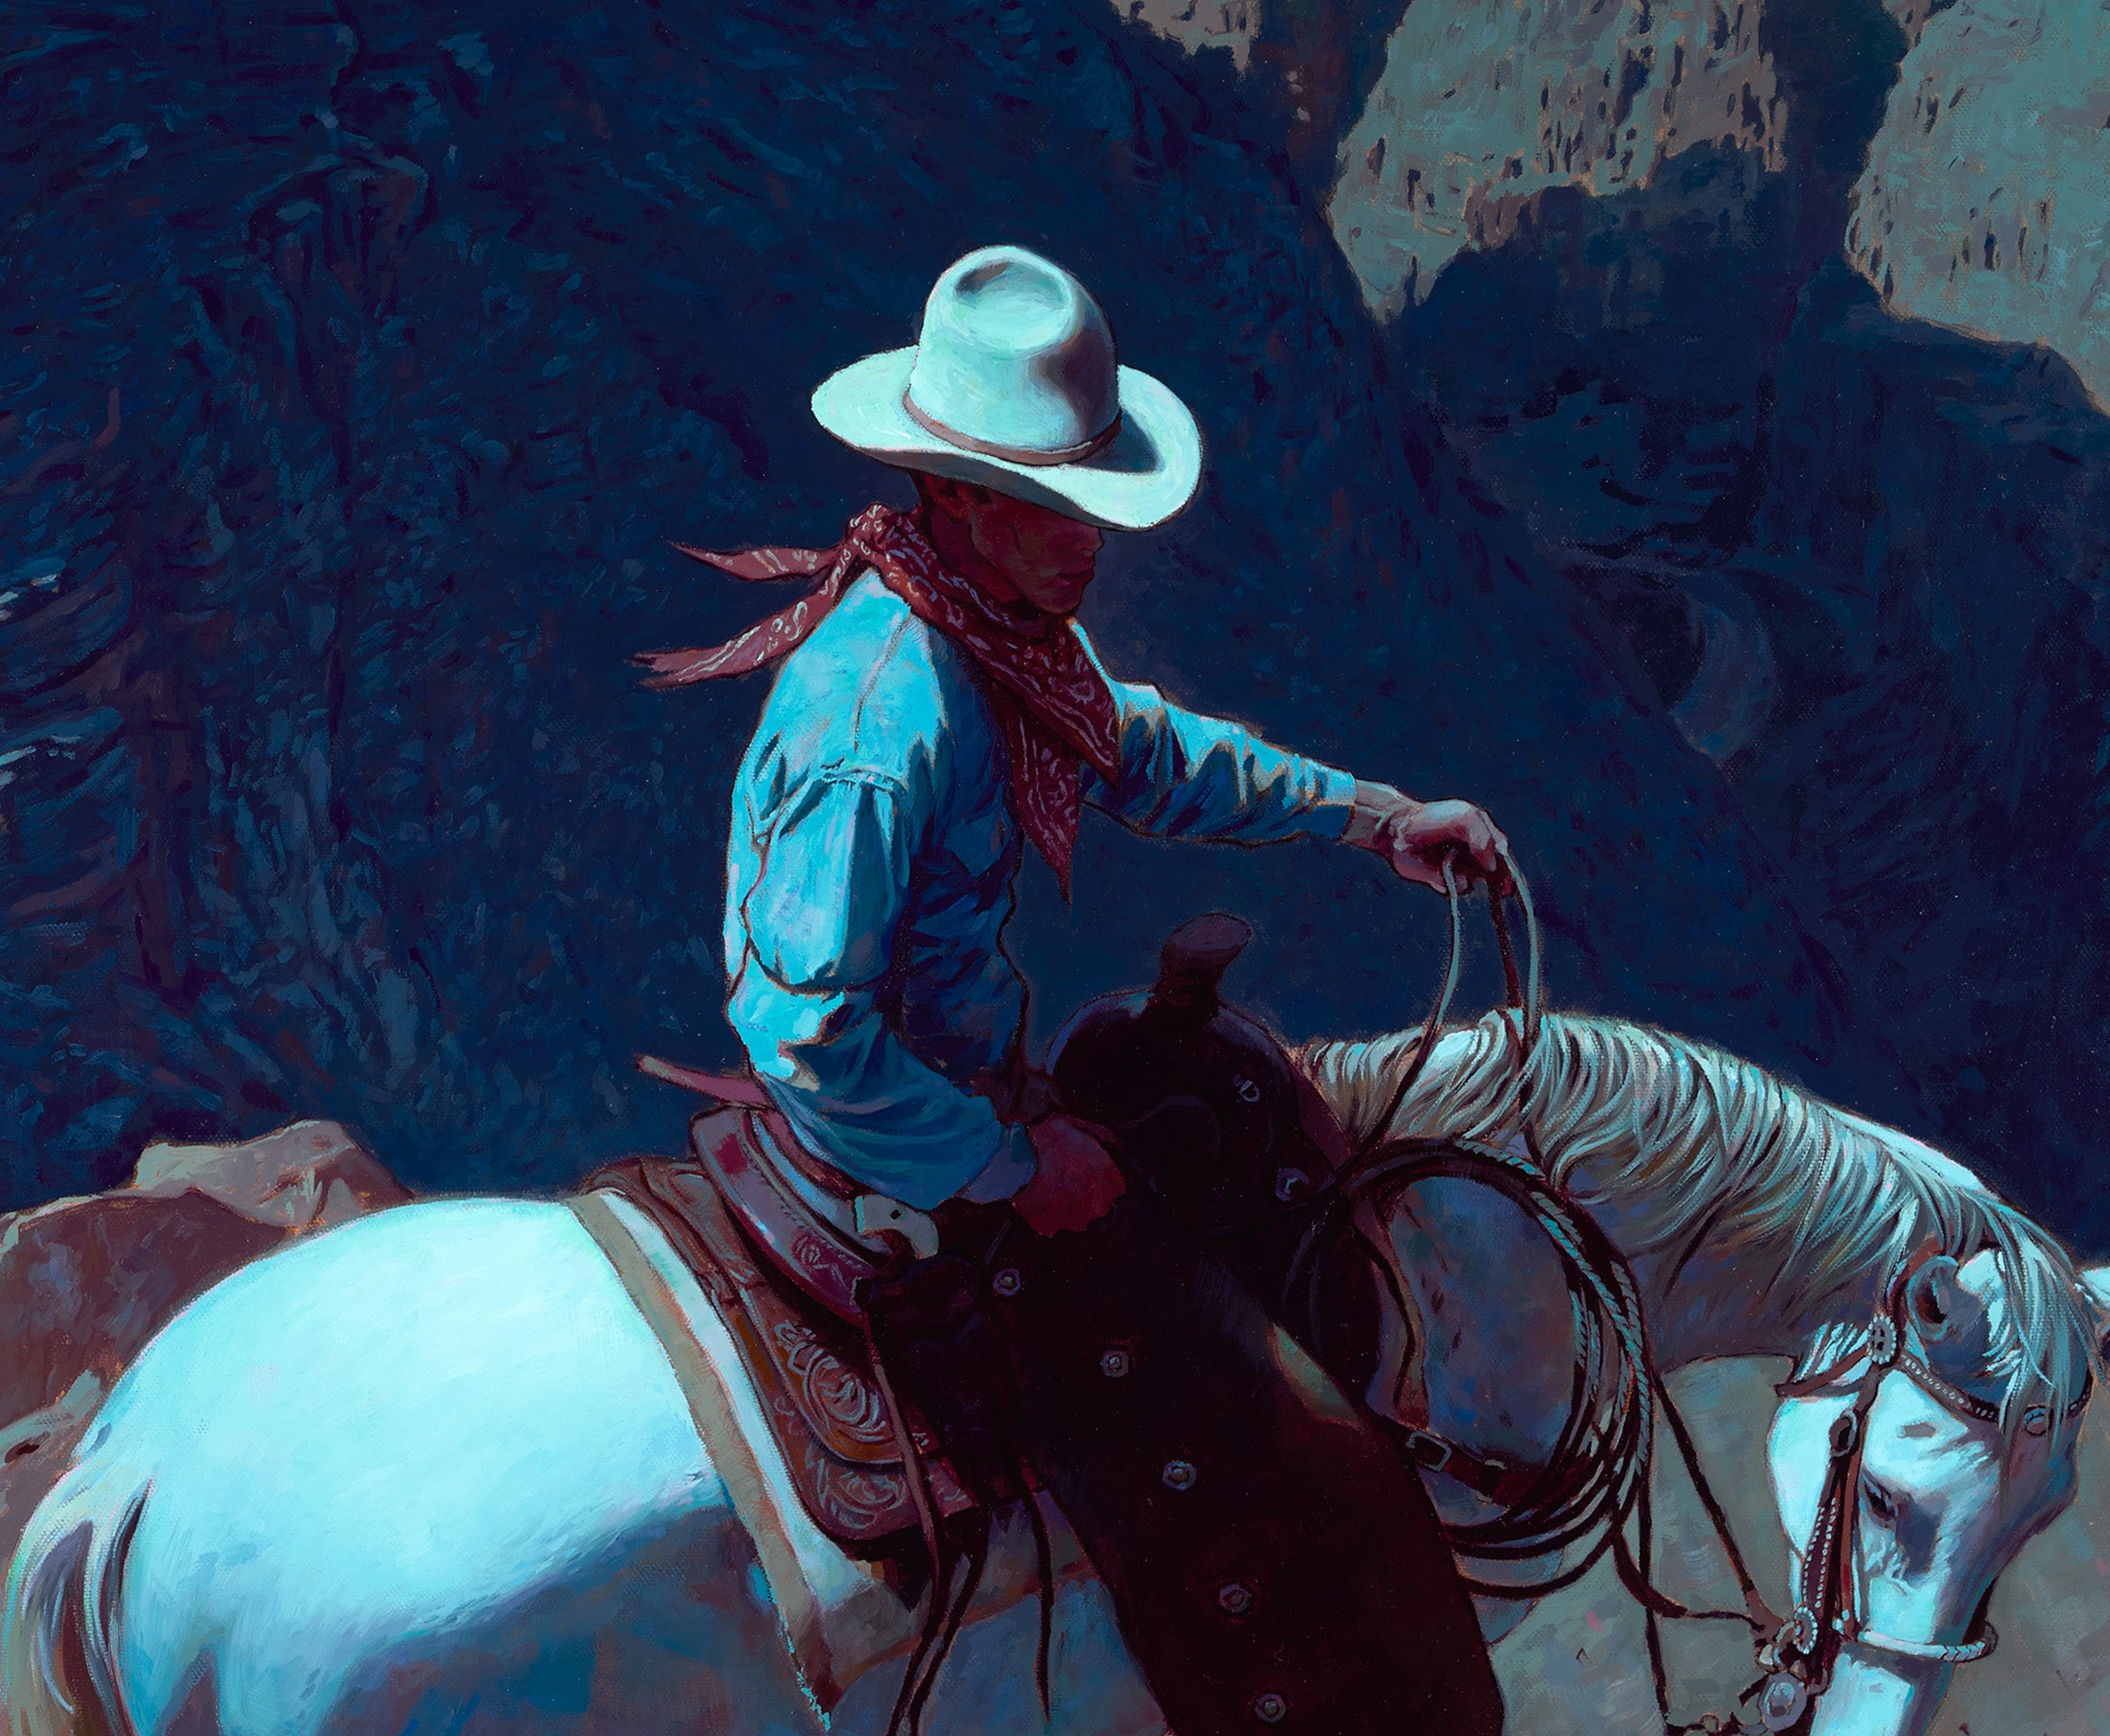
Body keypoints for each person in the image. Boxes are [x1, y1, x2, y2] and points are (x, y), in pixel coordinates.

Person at [645, 244, 1513, 1237]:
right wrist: (1006, 1164)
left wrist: (1375, 817)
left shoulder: (994, 639)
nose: (1092, 537)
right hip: (895, 1136)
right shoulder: (877, 731)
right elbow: (806, 1033)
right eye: (1061, 506)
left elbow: (1144, 750)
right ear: (958, 494)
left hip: (961, 1097)